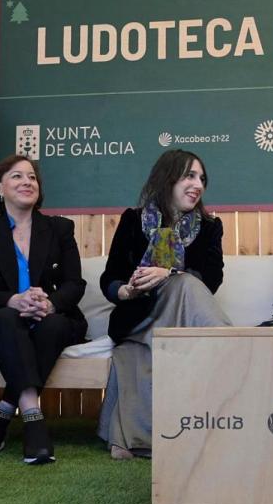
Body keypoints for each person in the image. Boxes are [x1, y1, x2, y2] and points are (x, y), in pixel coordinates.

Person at [98, 149, 231, 459]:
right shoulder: (132, 220)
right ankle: (230, 349)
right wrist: (127, 292)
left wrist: (169, 273)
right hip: (139, 315)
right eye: (189, 176)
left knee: (185, 282)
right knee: (135, 346)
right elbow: (110, 278)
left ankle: (226, 351)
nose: (198, 184)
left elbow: (210, 280)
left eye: (202, 178)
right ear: (167, 179)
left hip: (183, 314)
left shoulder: (210, 227)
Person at [0, 155, 88, 465]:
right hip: (4, 320)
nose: (27, 182)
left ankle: (3, 413)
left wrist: (50, 303)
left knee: (54, 325)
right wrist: (13, 300)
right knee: (7, 319)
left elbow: (75, 284)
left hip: (51, 318)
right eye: (17, 176)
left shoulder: (59, 229)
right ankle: (32, 414)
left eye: (32, 177)